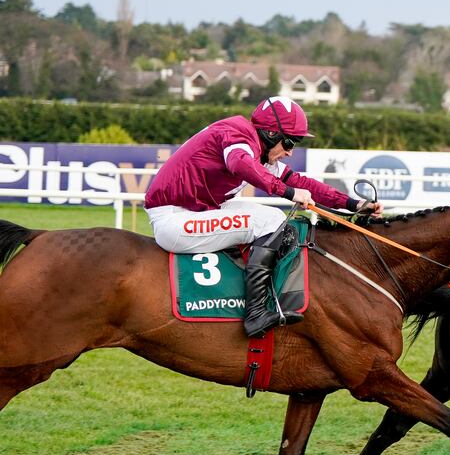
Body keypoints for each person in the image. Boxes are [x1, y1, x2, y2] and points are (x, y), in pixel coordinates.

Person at [145, 96, 384, 338]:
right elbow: (240, 163)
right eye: (290, 142)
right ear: (270, 134)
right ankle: (256, 312)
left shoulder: (257, 148)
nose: (290, 152)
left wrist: (353, 203)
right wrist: (289, 193)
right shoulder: (237, 135)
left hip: (196, 212)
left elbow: (300, 182)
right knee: (269, 221)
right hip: (174, 221)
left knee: (272, 216)